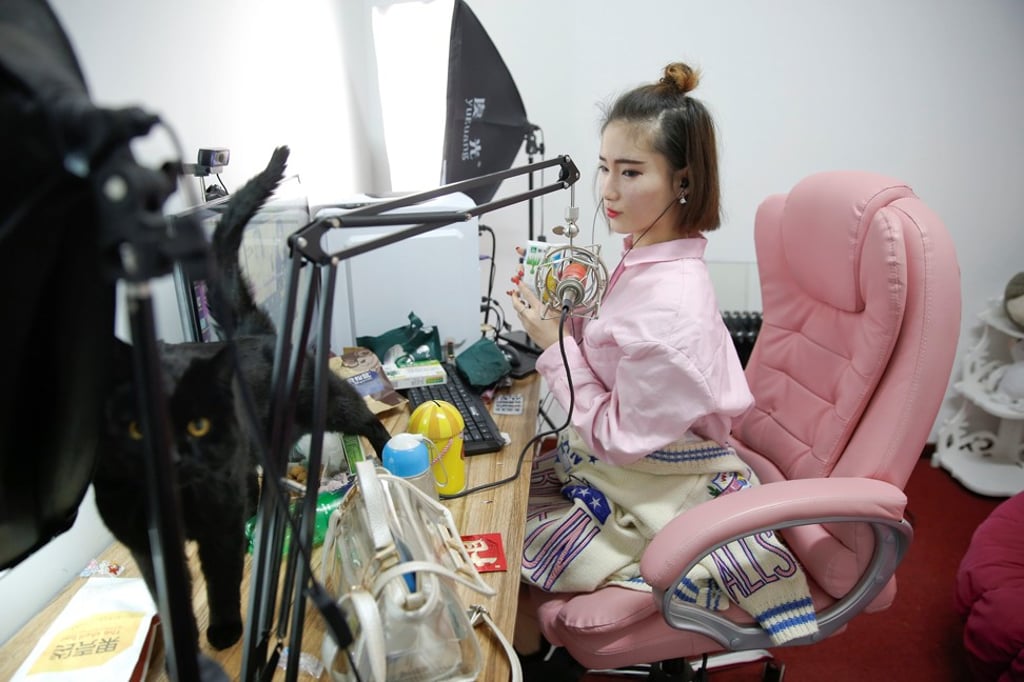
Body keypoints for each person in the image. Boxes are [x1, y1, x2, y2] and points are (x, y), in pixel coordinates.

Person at [508, 62, 818, 674]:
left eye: (630, 172)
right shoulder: (642, 258)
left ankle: (532, 656)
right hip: (640, 456)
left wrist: (552, 345)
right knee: (504, 503)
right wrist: (565, 318)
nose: (608, 191)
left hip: (662, 481)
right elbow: (611, 355)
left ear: (682, 179)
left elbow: (619, 439)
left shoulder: (669, 308)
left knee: (499, 540)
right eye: (604, 167)